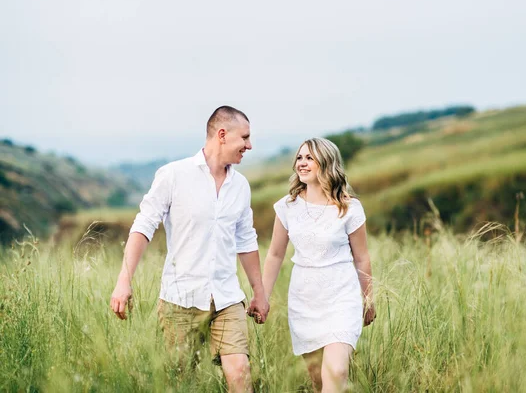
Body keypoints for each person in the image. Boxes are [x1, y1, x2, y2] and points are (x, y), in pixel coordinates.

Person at [110, 105, 269, 393]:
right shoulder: (173, 175)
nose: (249, 145)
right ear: (222, 135)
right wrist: (124, 281)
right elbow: (143, 227)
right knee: (179, 382)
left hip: (227, 298)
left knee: (240, 372)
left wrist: (259, 292)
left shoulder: (241, 186)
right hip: (179, 299)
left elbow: (246, 241)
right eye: (244, 137)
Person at [262, 137, 376, 392]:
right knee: (318, 381)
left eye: (309, 158)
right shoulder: (287, 207)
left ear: (326, 163)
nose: (302, 163)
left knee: (336, 372)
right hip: (304, 300)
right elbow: (275, 255)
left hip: (341, 298)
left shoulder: (349, 208)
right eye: (299, 158)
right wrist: (263, 296)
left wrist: (368, 299)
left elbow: (362, 257)